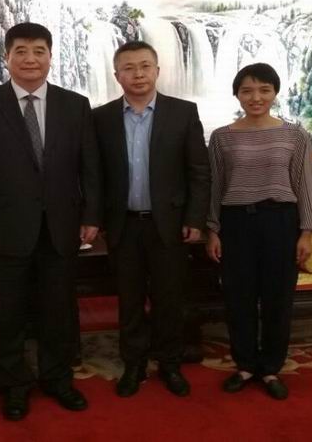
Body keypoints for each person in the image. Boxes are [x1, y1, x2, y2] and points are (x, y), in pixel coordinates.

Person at [0, 22, 101, 420]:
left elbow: (90, 166)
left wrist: (91, 215)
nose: (30, 59)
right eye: (20, 51)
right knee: (6, 314)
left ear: (50, 57)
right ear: (6, 57)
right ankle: (13, 385)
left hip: (61, 227)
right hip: (3, 230)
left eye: (39, 50)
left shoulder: (75, 105)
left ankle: (58, 379)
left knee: (59, 310)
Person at [93, 41, 210, 398]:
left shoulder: (183, 112)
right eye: (129, 68)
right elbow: (93, 175)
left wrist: (195, 219)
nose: (138, 74)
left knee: (169, 299)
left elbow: (198, 171)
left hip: (170, 225)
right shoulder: (101, 118)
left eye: (145, 66)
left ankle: (170, 363)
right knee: (129, 301)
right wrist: (95, 220)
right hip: (123, 225)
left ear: (157, 71)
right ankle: (134, 364)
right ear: (117, 75)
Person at [206, 62, 312, 400]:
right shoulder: (221, 137)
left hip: (280, 222)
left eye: (263, 90)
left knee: (278, 298)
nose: (255, 97)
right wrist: (212, 230)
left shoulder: (295, 135)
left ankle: (271, 367)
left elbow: (306, 184)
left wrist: (307, 232)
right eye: (247, 90)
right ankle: (244, 365)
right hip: (236, 224)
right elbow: (214, 186)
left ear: (274, 93)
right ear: (237, 95)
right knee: (238, 297)